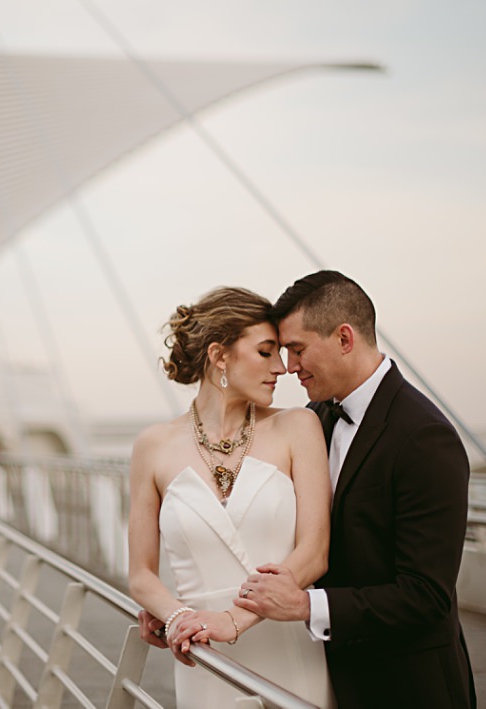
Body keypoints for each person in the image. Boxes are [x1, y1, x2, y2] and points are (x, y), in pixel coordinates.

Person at [236, 271, 476, 709]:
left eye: (298, 348)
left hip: (408, 688)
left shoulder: (424, 436)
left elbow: (426, 595)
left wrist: (308, 607)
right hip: (330, 680)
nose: (290, 366)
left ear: (344, 338)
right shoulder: (314, 418)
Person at [128, 286, 335, 708]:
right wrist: (176, 616)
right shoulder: (152, 446)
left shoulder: (299, 427)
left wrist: (232, 619)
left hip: (289, 651)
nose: (281, 368)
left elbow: (314, 553)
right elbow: (141, 575)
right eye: (265, 352)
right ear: (220, 356)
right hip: (205, 658)